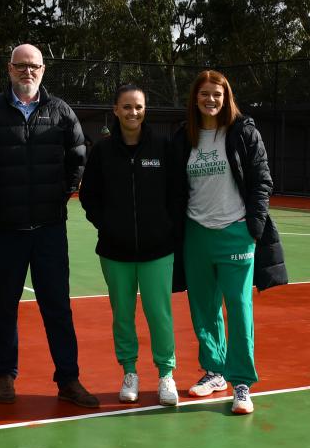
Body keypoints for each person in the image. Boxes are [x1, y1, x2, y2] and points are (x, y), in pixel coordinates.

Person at [0, 44, 98, 408]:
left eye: (34, 66)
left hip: (49, 229)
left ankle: (68, 379)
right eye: (21, 66)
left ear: (43, 70)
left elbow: (79, 158)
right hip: (4, 230)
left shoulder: (61, 112)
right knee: (4, 306)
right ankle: (5, 376)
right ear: (9, 69)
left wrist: (60, 196)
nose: (28, 72)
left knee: (57, 306)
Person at [171, 69, 284, 415]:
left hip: (236, 231)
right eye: (204, 94)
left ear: (226, 97)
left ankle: (241, 383)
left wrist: (254, 226)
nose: (210, 100)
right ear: (195, 98)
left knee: (238, 306)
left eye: (217, 94)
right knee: (203, 308)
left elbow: (262, 181)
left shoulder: (243, 132)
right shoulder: (183, 138)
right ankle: (215, 371)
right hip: (196, 234)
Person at [79, 84, 179, 406]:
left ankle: (166, 374)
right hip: (115, 251)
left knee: (158, 314)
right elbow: (88, 196)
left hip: (157, 250)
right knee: (122, 315)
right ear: (116, 110)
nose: (132, 112)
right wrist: (107, 224)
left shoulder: (163, 147)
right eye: (126, 107)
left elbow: (178, 192)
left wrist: (166, 227)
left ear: (145, 109)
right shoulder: (103, 152)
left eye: (138, 106)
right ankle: (130, 372)